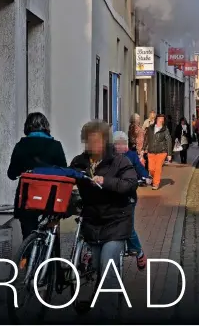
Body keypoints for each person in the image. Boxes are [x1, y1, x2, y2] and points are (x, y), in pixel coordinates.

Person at [70, 121, 138, 316]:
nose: (93, 145)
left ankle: (107, 313)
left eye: (97, 140)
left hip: (116, 221)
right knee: (100, 268)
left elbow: (130, 183)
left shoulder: (119, 161)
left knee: (108, 264)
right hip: (92, 223)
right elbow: (68, 178)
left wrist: (105, 181)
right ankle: (111, 301)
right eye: (90, 141)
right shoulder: (79, 162)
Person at [8, 112, 67, 239]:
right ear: (46, 127)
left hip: (27, 199)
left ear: (27, 127)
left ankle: (28, 256)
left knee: (28, 235)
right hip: (51, 199)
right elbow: (64, 172)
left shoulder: (21, 146)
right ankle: (51, 257)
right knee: (51, 237)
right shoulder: (56, 146)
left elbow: (11, 174)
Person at [112, 131, 150, 270]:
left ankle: (139, 253)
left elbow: (139, 168)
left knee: (128, 227)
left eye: (124, 143)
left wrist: (146, 176)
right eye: (119, 144)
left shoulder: (131, 156)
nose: (123, 146)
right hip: (113, 195)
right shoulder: (110, 157)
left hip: (128, 196)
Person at [143, 114, 172, 189]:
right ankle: (154, 177)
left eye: (162, 119)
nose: (161, 120)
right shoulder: (150, 128)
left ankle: (156, 184)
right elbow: (146, 139)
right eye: (160, 118)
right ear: (156, 119)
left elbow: (169, 141)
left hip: (162, 151)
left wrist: (169, 154)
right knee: (151, 169)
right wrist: (143, 149)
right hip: (151, 151)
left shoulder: (165, 129)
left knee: (158, 167)